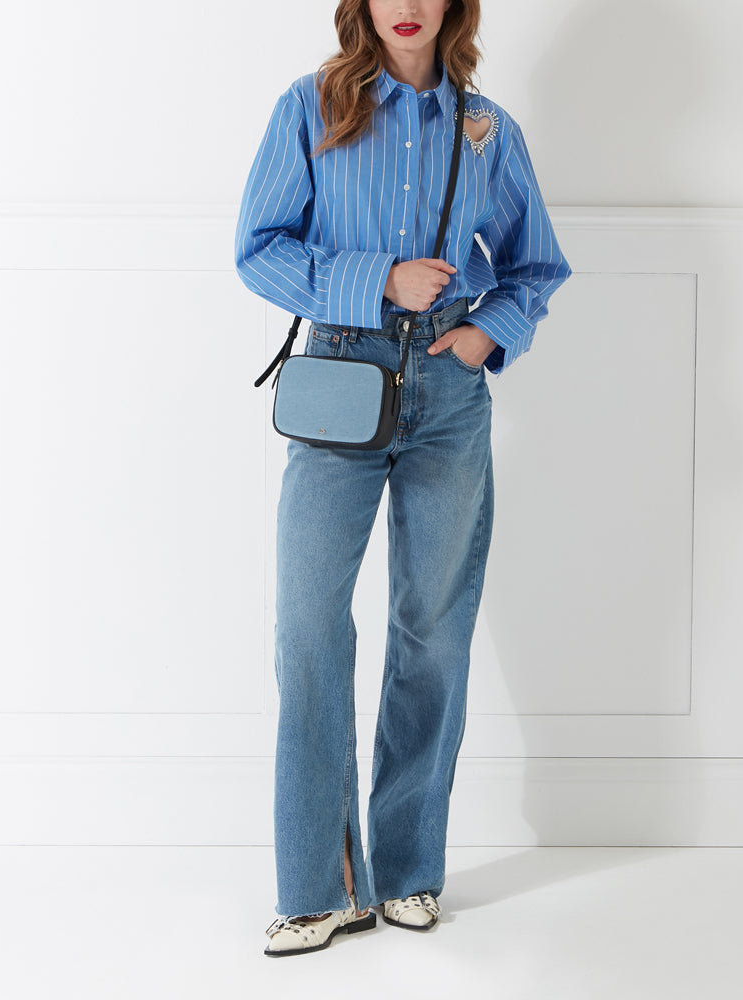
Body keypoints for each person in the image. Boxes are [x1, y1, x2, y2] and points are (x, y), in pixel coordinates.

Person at [235, 0, 570, 957]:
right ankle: (318, 886)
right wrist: (377, 278)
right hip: (342, 380)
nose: (409, 7)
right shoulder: (311, 107)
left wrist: (482, 337)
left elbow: (534, 266)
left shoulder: (487, 128)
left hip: (449, 400)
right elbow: (258, 249)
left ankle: (411, 869)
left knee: (431, 631)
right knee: (308, 627)